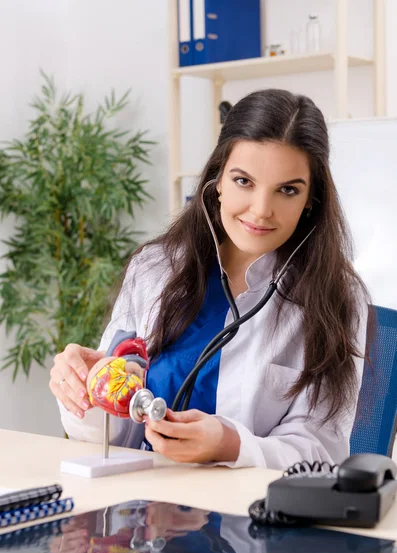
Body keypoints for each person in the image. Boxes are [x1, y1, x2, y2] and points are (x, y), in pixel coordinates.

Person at [50, 88, 369, 471]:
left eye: (287, 190)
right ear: (217, 180)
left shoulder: (338, 298)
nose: (261, 210)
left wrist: (231, 445)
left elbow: (324, 452)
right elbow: (112, 434)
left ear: (310, 200)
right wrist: (88, 387)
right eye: (243, 181)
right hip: (141, 512)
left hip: (248, 517)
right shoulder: (154, 269)